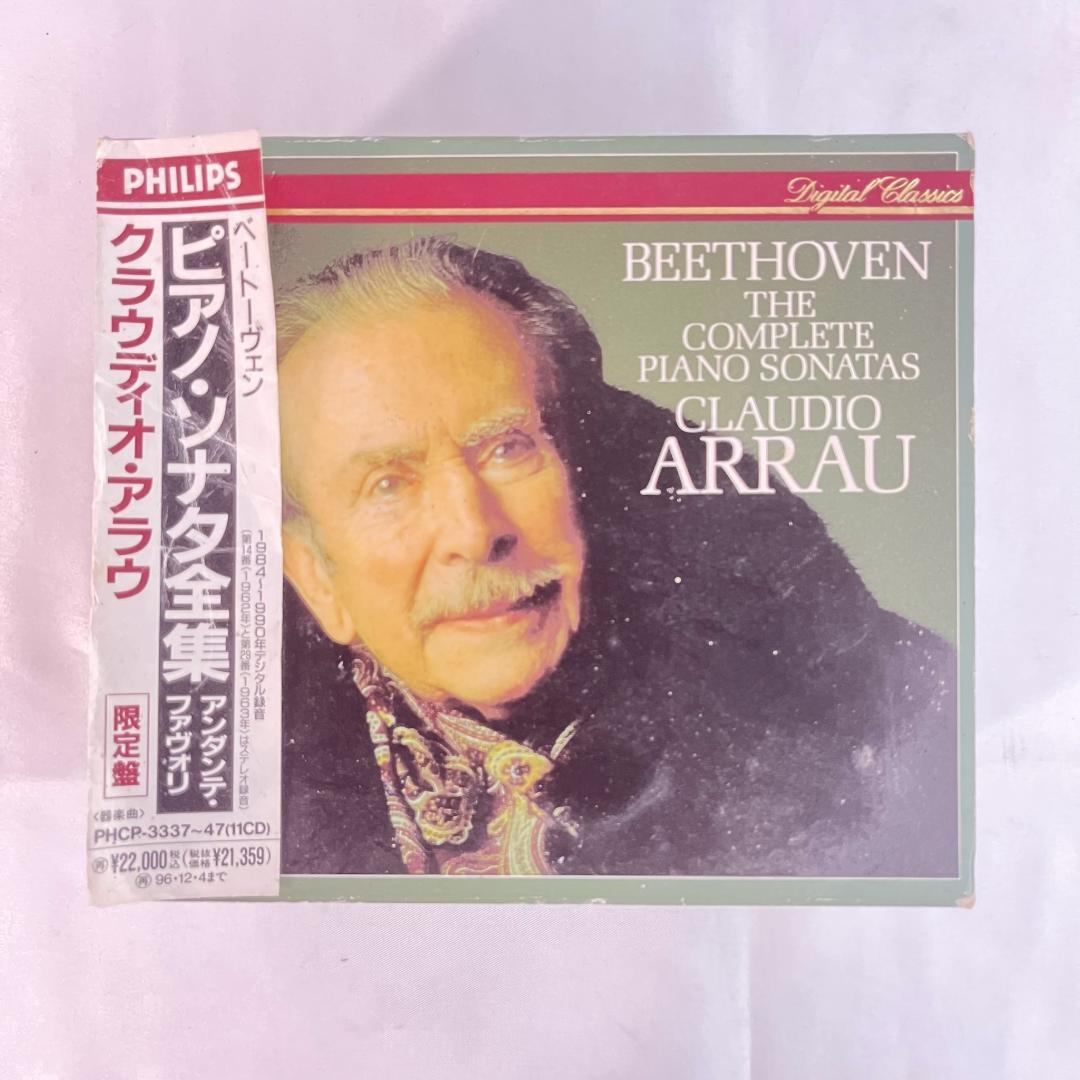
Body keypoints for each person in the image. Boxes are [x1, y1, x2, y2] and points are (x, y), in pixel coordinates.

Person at [276, 236, 958, 878]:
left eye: (509, 448)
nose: (475, 531)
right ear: (315, 577)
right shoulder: (270, 788)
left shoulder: (896, 715)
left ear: (581, 470)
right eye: (388, 485)